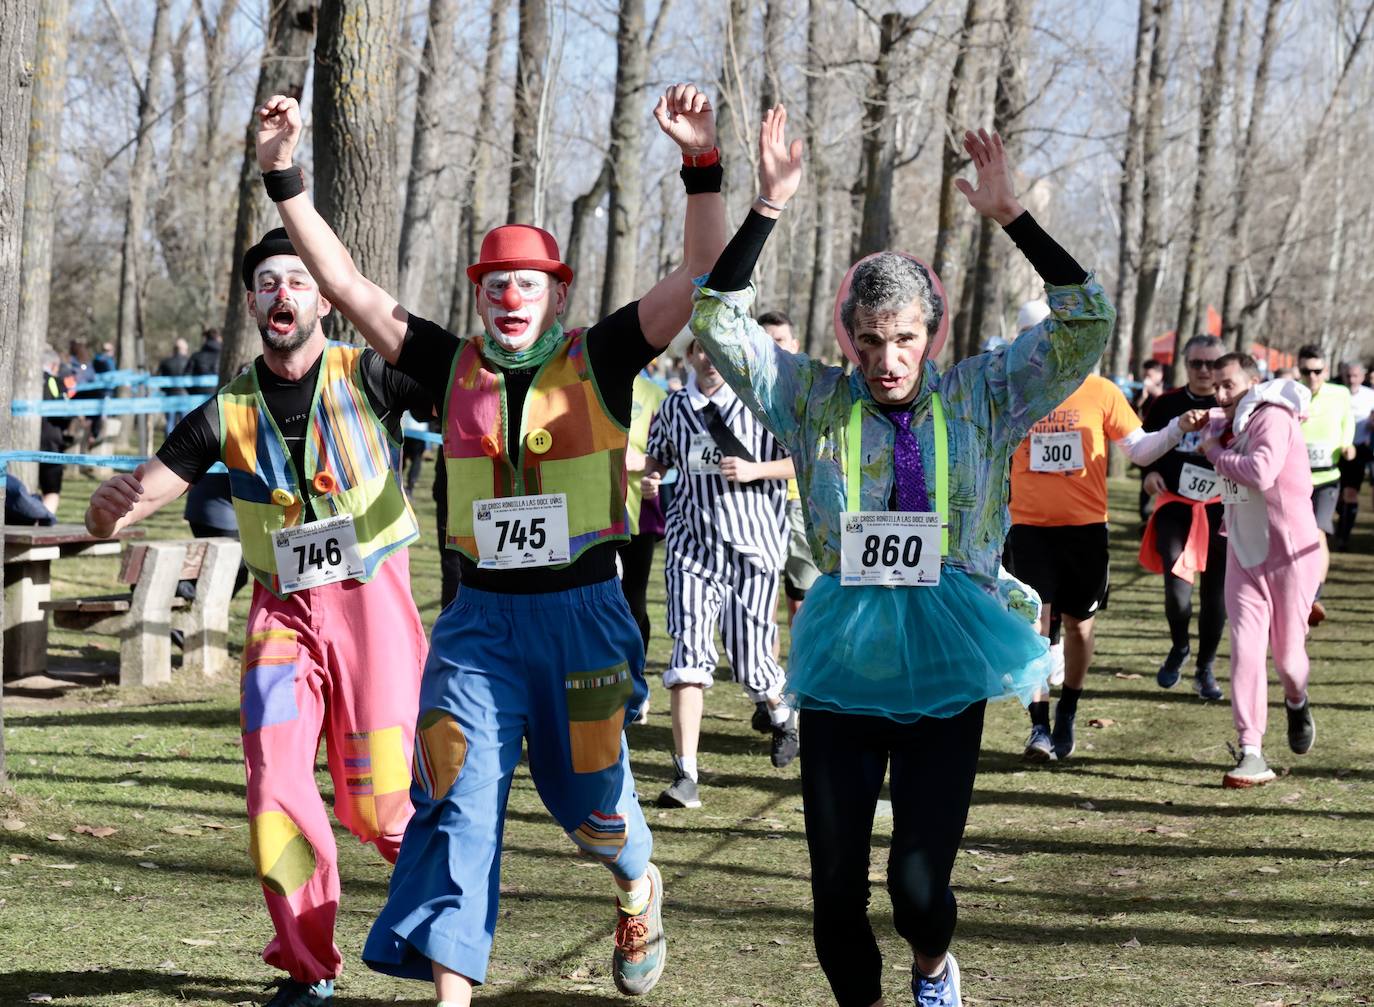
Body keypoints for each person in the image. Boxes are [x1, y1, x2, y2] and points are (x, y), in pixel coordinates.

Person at [255, 83, 726, 1003]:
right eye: (496, 283)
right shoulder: (446, 363)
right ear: (479, 294)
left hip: (585, 620)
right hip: (479, 627)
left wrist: (700, 161)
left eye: (530, 282)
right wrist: (285, 177)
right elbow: (346, 286)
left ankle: (636, 880)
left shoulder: (607, 355)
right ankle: (452, 994)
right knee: (456, 799)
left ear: (559, 293)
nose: (512, 296)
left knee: (590, 804)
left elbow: (700, 275)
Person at [691, 111, 1112, 1007]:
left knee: (919, 892)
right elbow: (717, 318)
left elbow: (1087, 321)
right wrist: (767, 204)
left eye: (906, 338)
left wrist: (1012, 218)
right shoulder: (808, 400)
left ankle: (932, 965)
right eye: (872, 340)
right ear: (848, 335)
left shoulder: (986, 394)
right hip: (845, 661)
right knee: (835, 900)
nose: (888, 360)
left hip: (950, 657)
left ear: (934, 333)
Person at [84, 229, 432, 1007]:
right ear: (252, 304)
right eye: (269, 282)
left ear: (324, 297)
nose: (283, 293)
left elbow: (474, 408)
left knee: (384, 805)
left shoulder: (372, 371)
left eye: (299, 280)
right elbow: (141, 493)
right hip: (282, 616)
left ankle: (443, 924)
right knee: (273, 786)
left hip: (372, 605)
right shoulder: (226, 407)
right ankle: (311, 967)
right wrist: (109, 515)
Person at [1007, 373, 1206, 762]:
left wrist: (1177, 427)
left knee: (1078, 627)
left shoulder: (1100, 391)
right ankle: (1039, 727)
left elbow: (1140, 450)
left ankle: (1068, 708)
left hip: (1085, 529)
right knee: (1034, 626)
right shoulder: (1019, 387)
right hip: (1028, 527)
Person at [641, 336, 797, 808]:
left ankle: (782, 711)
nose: (708, 359)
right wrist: (651, 476)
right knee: (688, 657)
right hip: (691, 550)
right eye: (700, 350)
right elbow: (659, 456)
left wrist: (755, 471)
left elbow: (801, 462)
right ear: (690, 357)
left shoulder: (763, 405)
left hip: (754, 550)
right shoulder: (673, 409)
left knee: (751, 661)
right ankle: (685, 775)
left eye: (717, 351)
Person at [1200, 354, 1320, 787]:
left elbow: (1261, 472)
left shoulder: (1272, 417)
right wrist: (1209, 426)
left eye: (1228, 385)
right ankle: (1251, 750)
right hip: (1242, 552)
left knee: (1288, 660)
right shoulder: (1236, 421)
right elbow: (1215, 421)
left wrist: (1214, 452)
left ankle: (1296, 700)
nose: (1219, 393)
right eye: (1215, 385)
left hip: (1289, 555)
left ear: (1254, 382)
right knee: (1246, 650)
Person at [1138, 334, 1227, 699]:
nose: (1205, 371)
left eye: (1212, 364)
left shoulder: (1233, 405)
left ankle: (1205, 667)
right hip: (1175, 505)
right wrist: (1148, 475)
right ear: (1185, 365)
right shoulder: (1166, 404)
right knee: (1177, 594)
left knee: (1215, 596)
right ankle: (1180, 646)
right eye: (1197, 363)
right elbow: (1144, 448)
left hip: (1222, 509)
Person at [758, 310, 821, 621]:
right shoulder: (744, 392)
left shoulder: (812, 393)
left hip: (799, 504)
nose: (773, 348)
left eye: (779, 340)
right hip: (755, 504)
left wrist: (754, 470)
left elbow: (811, 459)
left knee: (801, 598)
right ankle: (767, 666)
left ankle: (800, 666)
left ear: (794, 345)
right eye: (765, 340)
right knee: (762, 595)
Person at [1296, 344, 1354, 623]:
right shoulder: (1291, 393)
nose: (1312, 377)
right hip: (1293, 480)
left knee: (1318, 533)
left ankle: (1314, 596)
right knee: (1293, 539)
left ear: (1326, 370)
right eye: (1306, 371)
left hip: (1327, 477)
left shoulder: (1339, 394)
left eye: (1318, 371)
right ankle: (1293, 591)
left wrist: (1347, 444)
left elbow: (1348, 421)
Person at [619, 368, 668, 653]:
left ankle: (636, 671)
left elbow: (676, 456)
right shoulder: (581, 383)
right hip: (590, 515)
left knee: (633, 598)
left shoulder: (654, 395)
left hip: (639, 514)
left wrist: (646, 462)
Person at [1334, 359, 1372, 549]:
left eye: (1355, 376)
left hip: (1358, 450)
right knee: (1338, 494)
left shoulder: (1370, 396)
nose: (1351, 379)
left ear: (1362, 377)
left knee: (1350, 493)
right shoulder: (1335, 394)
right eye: (1348, 375)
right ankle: (1340, 520)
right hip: (1335, 450)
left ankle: (1344, 536)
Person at [38, 348, 75, 514]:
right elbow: (65, 413)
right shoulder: (55, 382)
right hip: (49, 442)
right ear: (53, 366)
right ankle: (46, 522)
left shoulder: (16, 378)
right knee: (52, 490)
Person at [158, 337, 192, 431]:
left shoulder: (166, 362)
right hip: (185, 395)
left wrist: (165, 390)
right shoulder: (189, 361)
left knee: (170, 422)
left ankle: (168, 445)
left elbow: (160, 380)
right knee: (185, 423)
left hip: (169, 395)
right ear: (184, 349)